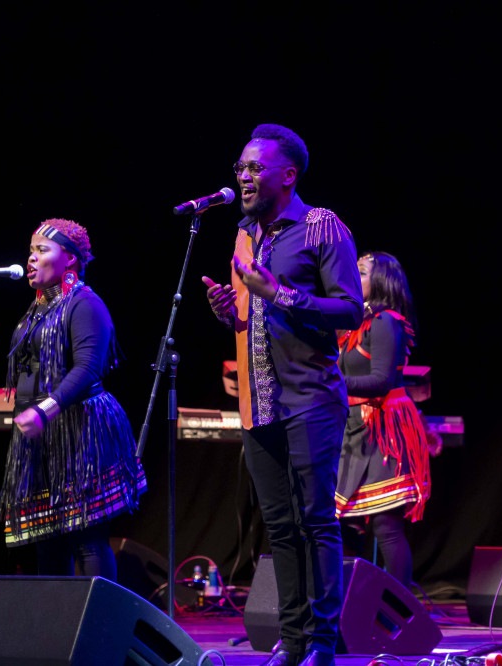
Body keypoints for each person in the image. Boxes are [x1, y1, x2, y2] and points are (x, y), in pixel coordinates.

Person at [201, 124, 363, 666]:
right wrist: (232, 313)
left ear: (288, 175)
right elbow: (255, 322)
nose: (243, 177)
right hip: (258, 402)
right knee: (281, 526)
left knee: (316, 518)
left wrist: (281, 293)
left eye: (255, 168)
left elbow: (349, 309)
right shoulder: (244, 235)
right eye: (239, 169)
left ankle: (322, 642)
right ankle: (292, 642)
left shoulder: (322, 227)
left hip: (310, 396)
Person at [0, 218, 146, 579]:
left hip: (81, 430)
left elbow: (88, 370)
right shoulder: (36, 311)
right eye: (31, 250)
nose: (31, 258)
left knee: (86, 538)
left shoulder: (85, 305)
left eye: (42, 250)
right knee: (47, 538)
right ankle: (57, 628)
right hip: (42, 437)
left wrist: (45, 409)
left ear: (70, 259)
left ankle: (99, 626)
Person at [335, 251, 430, 589]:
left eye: (360, 271)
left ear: (381, 280)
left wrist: (329, 383)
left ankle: (398, 612)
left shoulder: (386, 321)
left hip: (383, 425)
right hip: (353, 428)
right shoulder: (353, 323)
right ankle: (350, 607)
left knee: (386, 526)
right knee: (345, 522)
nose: (352, 275)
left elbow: (381, 381)